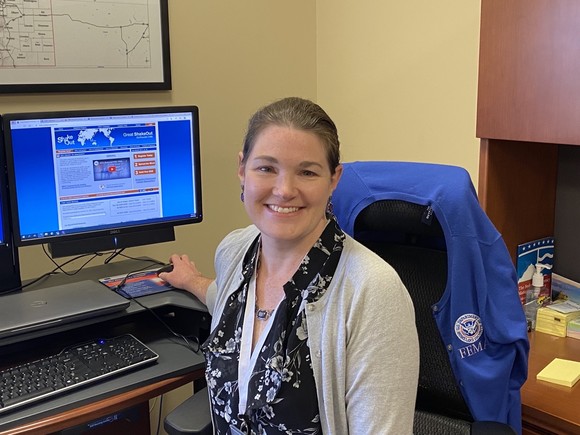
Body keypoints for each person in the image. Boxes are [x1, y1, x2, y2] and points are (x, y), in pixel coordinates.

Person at [160, 97, 420, 434]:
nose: (284, 190)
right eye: (266, 168)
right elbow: (233, 305)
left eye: (307, 172)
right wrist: (192, 280)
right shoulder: (235, 251)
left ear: (333, 180)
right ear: (242, 169)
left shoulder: (373, 292)